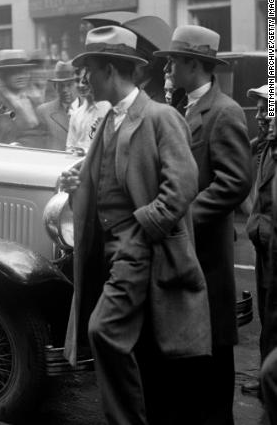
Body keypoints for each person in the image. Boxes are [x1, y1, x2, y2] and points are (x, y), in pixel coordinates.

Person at [60, 25, 210, 425]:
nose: (84, 79)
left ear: (109, 69)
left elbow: (182, 187)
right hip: (109, 249)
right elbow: (106, 178)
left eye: (89, 69)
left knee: (103, 331)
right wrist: (77, 185)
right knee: (137, 348)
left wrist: (143, 230)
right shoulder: (107, 120)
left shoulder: (160, 117)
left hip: (137, 249)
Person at [155, 25, 252, 424]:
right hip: (187, 256)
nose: (170, 66)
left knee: (212, 356)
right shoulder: (183, 108)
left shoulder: (224, 111)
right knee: (190, 354)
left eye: (175, 60)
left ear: (194, 64)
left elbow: (234, 181)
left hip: (207, 254)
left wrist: (184, 218)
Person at [245, 84, 276, 396]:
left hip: (273, 246)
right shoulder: (264, 146)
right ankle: (266, 370)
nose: (259, 116)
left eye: (265, 108)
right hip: (263, 243)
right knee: (267, 311)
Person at [0, 49, 42, 145]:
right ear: (3, 75)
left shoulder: (35, 101)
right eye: (14, 72)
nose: (21, 76)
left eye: (24, 71)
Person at [66, 65, 110, 152]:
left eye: (85, 81)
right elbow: (69, 147)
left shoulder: (109, 108)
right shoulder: (76, 114)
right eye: (77, 81)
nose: (81, 85)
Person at [36, 61, 77, 150]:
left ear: (77, 85)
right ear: (55, 86)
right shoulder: (44, 112)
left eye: (69, 85)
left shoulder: (90, 110)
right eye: (61, 86)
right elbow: (38, 146)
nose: (65, 90)